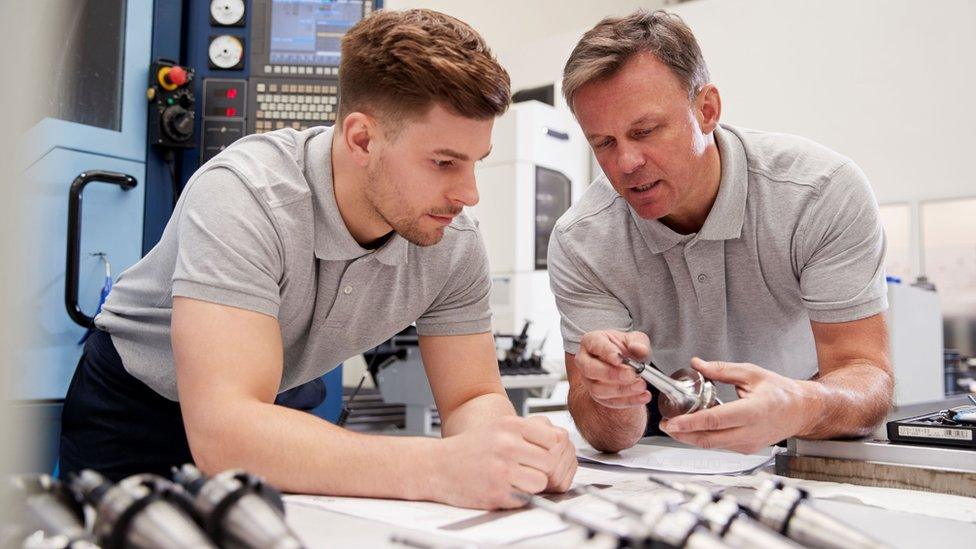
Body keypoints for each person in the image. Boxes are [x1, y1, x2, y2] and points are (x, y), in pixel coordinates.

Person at [59, 9, 576, 510]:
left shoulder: (454, 242)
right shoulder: (245, 194)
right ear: (362, 139)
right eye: (444, 163)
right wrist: (440, 466)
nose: (469, 194)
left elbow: (470, 398)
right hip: (138, 407)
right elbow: (227, 434)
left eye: (474, 163)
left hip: (264, 407)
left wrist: (515, 452)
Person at [548, 9, 893, 455]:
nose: (626, 163)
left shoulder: (819, 193)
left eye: (645, 131)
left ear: (706, 110)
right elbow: (606, 434)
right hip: (674, 453)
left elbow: (865, 375)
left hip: (811, 436)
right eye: (604, 143)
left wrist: (797, 406)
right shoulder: (583, 241)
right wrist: (608, 396)